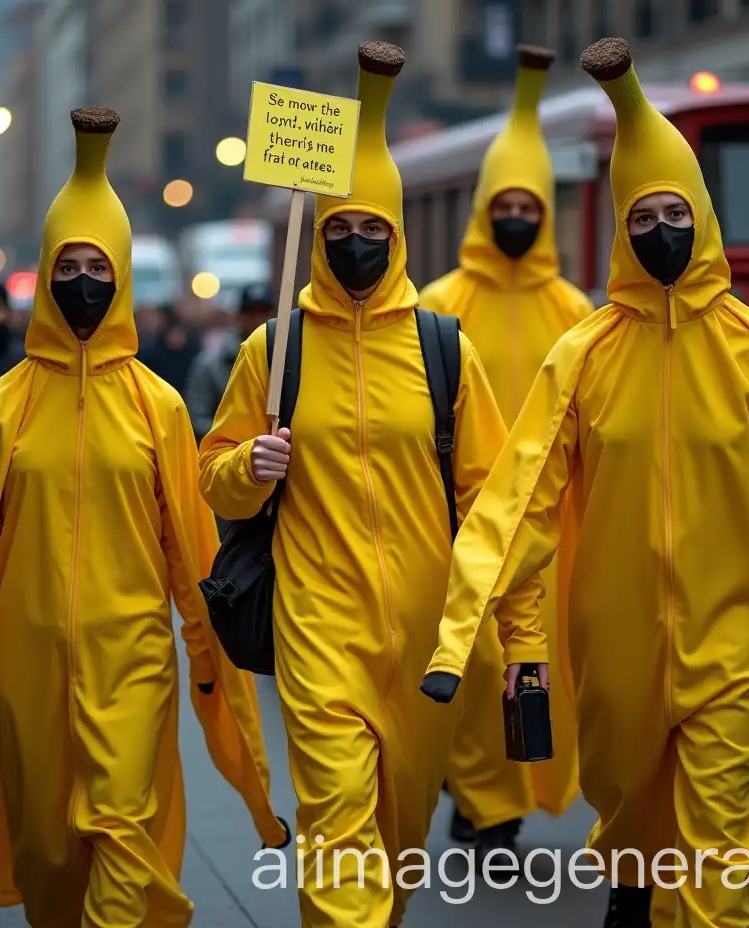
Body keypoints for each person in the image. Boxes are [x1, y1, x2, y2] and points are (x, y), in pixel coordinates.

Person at [419, 38, 749, 928]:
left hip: (737, 645)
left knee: (716, 862)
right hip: (616, 649)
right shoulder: (583, 354)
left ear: (703, 218)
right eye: (640, 218)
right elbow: (517, 499)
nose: (657, 231)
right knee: (633, 811)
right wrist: (458, 636)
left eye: (674, 212)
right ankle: (631, 889)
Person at [0, 107, 289, 927]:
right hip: (27, 676)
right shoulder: (2, 407)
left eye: (100, 265)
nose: (85, 281)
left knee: (119, 834)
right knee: (48, 858)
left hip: (135, 667)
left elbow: (190, 553)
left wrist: (210, 666)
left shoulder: (159, 408)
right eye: (69, 264)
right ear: (45, 273)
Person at [199, 42, 544, 928]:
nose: (355, 247)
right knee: (337, 824)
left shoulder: (444, 350)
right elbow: (215, 482)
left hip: (432, 645)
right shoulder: (273, 351)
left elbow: (494, 507)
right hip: (316, 628)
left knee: (398, 838)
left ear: (397, 239)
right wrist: (250, 467)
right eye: (338, 233)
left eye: (373, 234)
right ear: (315, 239)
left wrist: (521, 641)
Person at [420, 42, 594, 856]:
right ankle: (485, 800)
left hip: (550, 527)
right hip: (463, 520)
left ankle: (517, 787)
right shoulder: (439, 308)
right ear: (483, 211)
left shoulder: (573, 308)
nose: (517, 219)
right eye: (504, 207)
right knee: (476, 662)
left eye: (531, 206)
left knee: (537, 667)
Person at [185, 283, 275, 444]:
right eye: (250, 313)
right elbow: (197, 417)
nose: (258, 320)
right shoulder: (210, 363)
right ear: (239, 316)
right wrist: (239, 441)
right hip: (231, 457)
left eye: (264, 312)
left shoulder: (288, 357)